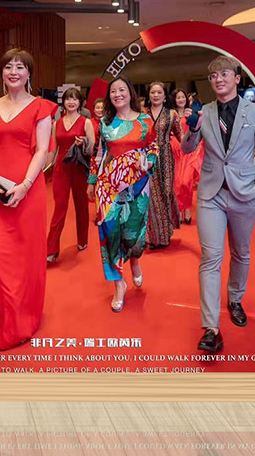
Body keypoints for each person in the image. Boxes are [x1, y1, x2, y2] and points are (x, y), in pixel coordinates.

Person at [181, 55, 255, 353]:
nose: (218, 79)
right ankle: (211, 328)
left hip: (245, 194)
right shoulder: (205, 112)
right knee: (211, 257)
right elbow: (186, 148)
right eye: (213, 76)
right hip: (211, 195)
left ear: (236, 78)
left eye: (224, 74)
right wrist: (193, 128)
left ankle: (235, 298)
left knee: (241, 252)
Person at [0, 48, 57, 349]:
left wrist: (24, 185)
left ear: (29, 73)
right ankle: (4, 317)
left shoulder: (41, 107)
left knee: (25, 260)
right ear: (2, 72)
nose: (14, 72)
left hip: (28, 189)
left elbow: (42, 150)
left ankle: (21, 321)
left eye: (20, 67)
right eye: (9, 66)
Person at [87, 75, 159, 312]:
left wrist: (149, 161)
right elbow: (98, 153)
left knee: (132, 235)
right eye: (113, 91)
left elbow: (154, 147)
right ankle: (118, 283)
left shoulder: (145, 120)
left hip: (137, 187)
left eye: (121, 90)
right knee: (109, 234)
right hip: (108, 187)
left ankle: (134, 260)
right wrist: (92, 181)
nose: (117, 94)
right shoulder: (105, 122)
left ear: (130, 93)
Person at [46, 87, 95, 263]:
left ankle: (82, 239)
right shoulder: (56, 124)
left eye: (75, 99)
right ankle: (51, 249)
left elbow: (92, 149)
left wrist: (84, 142)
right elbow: (53, 149)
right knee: (60, 207)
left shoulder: (86, 122)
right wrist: (44, 168)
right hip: (61, 169)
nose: (71, 102)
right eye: (68, 99)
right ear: (63, 102)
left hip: (80, 168)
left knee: (81, 206)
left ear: (80, 102)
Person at [146, 81, 181, 248]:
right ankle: (153, 237)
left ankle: (165, 233)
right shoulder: (142, 114)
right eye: (152, 92)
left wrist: (196, 128)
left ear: (165, 96)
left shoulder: (172, 114)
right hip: (148, 159)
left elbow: (182, 136)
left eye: (159, 92)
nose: (155, 95)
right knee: (152, 197)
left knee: (166, 193)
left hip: (166, 157)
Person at [172, 88, 203, 224]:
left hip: (189, 152)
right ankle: (179, 210)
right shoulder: (171, 114)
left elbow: (197, 130)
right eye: (178, 97)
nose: (181, 100)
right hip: (175, 152)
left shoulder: (192, 113)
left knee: (186, 182)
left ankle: (188, 209)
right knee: (177, 183)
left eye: (183, 97)